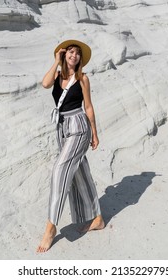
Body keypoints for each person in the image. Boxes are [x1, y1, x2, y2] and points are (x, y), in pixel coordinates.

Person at [37, 40, 105, 253]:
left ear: (80, 59)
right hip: (62, 127)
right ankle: (97, 218)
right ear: (64, 55)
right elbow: (44, 84)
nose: (74, 56)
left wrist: (94, 133)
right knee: (79, 172)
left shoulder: (83, 78)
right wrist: (55, 61)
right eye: (70, 52)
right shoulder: (57, 76)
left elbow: (89, 107)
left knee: (60, 169)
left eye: (77, 54)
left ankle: (50, 227)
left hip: (79, 127)